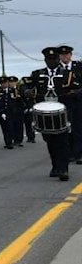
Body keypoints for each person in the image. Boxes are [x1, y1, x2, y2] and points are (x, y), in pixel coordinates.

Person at [30, 47, 73, 181]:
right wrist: (26, 91)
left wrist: (73, 93)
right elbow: (25, 85)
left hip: (63, 112)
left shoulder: (67, 74)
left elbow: (77, 87)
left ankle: (64, 169)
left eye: (54, 59)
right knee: (50, 141)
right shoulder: (37, 74)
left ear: (58, 59)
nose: (51, 62)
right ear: (45, 60)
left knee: (63, 141)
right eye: (49, 59)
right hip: (45, 114)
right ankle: (55, 166)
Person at [58, 45, 82, 164]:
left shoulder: (79, 66)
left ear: (71, 55)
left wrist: (77, 92)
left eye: (67, 54)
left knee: (78, 128)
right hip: (62, 102)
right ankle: (68, 154)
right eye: (62, 55)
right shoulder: (56, 68)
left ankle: (78, 154)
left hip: (78, 102)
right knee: (65, 129)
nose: (65, 56)